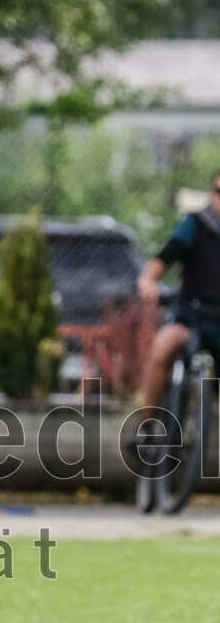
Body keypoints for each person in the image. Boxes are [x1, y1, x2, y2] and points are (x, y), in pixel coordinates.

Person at [134, 170, 220, 429]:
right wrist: (148, 279)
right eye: (219, 192)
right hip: (192, 317)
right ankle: (148, 427)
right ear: (211, 193)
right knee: (163, 345)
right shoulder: (195, 224)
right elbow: (164, 257)